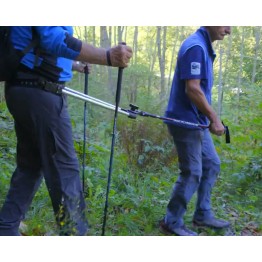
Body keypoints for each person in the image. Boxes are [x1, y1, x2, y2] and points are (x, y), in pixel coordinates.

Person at [0, 26, 132, 236]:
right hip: (41, 93)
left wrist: (75, 65)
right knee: (65, 171)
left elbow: (39, 45)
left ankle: (5, 229)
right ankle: (73, 235)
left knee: (31, 166)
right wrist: (106, 56)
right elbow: (53, 38)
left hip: (26, 89)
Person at [160, 26, 231, 236]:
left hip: (197, 121)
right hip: (185, 122)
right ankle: (171, 221)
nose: (228, 30)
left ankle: (202, 214)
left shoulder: (204, 46)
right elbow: (192, 88)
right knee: (192, 172)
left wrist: (207, 117)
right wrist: (214, 117)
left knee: (211, 164)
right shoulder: (196, 46)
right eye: (225, 23)